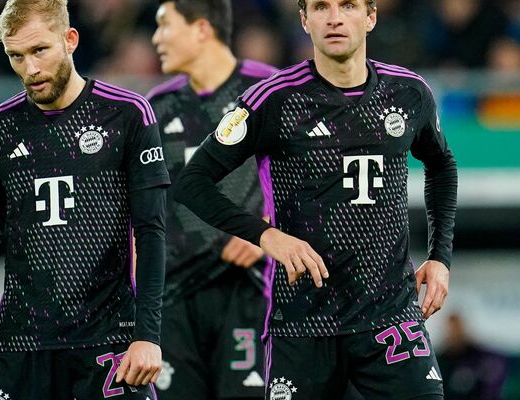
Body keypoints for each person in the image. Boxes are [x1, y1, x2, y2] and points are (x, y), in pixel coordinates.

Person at [174, 0, 458, 399]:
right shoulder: (271, 99)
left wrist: (440, 257)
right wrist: (266, 236)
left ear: (371, 17)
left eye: (348, 6)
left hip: (389, 314)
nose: (335, 18)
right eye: (321, 7)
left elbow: (442, 165)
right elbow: (192, 182)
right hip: (303, 322)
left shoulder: (409, 92)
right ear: (305, 20)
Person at [0, 1, 170, 399]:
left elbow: (150, 232)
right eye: (16, 56)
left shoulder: (128, 115)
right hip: (23, 346)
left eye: (39, 50)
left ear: (70, 40)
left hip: (109, 340)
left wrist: (148, 335)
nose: (30, 69)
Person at [147, 0, 277, 398]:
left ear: (201, 29)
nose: (156, 38)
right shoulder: (155, 107)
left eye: (165, 26)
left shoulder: (269, 92)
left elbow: (313, 185)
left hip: (248, 293)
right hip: (173, 303)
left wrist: (268, 231)